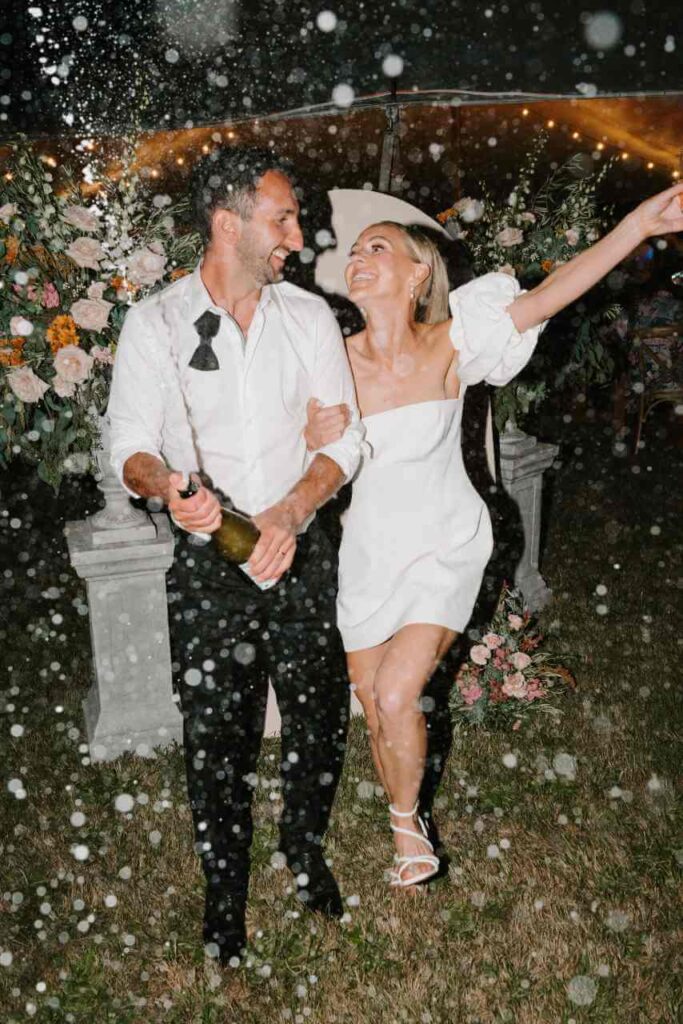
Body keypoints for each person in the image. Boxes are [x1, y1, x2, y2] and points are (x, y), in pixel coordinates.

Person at [305, 184, 683, 888]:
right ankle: (402, 807)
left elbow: (554, 292)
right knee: (373, 705)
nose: (358, 257)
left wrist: (639, 224)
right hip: (367, 553)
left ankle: (403, 825)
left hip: (445, 542)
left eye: (376, 247)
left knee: (396, 697)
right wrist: (309, 436)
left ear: (419, 272)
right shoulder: (328, 360)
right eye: (354, 251)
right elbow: (294, 451)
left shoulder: (456, 340)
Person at [107, 146, 364, 964]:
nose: (297, 233)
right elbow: (130, 447)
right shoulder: (154, 323)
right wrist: (170, 486)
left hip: (303, 545)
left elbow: (345, 439)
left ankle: (302, 845)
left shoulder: (310, 317)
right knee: (215, 733)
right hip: (210, 560)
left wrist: (290, 513)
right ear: (228, 224)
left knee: (317, 716)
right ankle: (224, 895)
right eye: (281, 217)